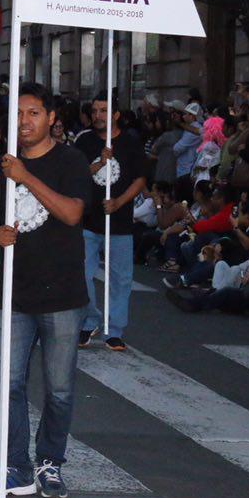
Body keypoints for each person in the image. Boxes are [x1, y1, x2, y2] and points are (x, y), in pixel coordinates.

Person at [0, 82, 90, 498]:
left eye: (33, 113)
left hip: (62, 295)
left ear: (52, 118)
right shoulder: (1, 165)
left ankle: (50, 462)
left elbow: (73, 213)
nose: (24, 122)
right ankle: (15, 466)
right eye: (18, 114)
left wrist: (25, 177)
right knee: (10, 384)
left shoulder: (71, 161)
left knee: (59, 389)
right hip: (13, 294)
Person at [74, 97, 146, 350]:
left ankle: (113, 329)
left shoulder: (130, 142)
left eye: (103, 110)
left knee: (120, 279)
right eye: (94, 111)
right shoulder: (84, 141)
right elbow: (77, 173)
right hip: (88, 219)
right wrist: (100, 163)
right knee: (81, 274)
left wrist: (119, 202)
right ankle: (88, 320)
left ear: (115, 114)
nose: (98, 115)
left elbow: (140, 179)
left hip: (120, 222)